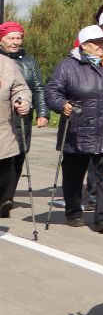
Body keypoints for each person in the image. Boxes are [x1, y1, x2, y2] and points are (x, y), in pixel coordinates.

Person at [45, 25, 103, 233]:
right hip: (78, 130)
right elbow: (52, 92)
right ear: (85, 45)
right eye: (97, 42)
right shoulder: (67, 66)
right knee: (73, 175)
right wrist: (62, 104)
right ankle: (74, 212)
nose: (102, 45)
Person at [0, 22, 47, 219]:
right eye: (12, 38)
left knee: (14, 158)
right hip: (6, 120)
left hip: (15, 121)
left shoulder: (22, 62)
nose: (16, 42)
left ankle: (6, 198)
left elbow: (33, 88)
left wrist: (38, 110)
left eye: (19, 38)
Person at [0, 45, 31, 218]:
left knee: (5, 173)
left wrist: (22, 101)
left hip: (2, 132)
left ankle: (4, 201)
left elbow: (21, 89)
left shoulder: (6, 64)